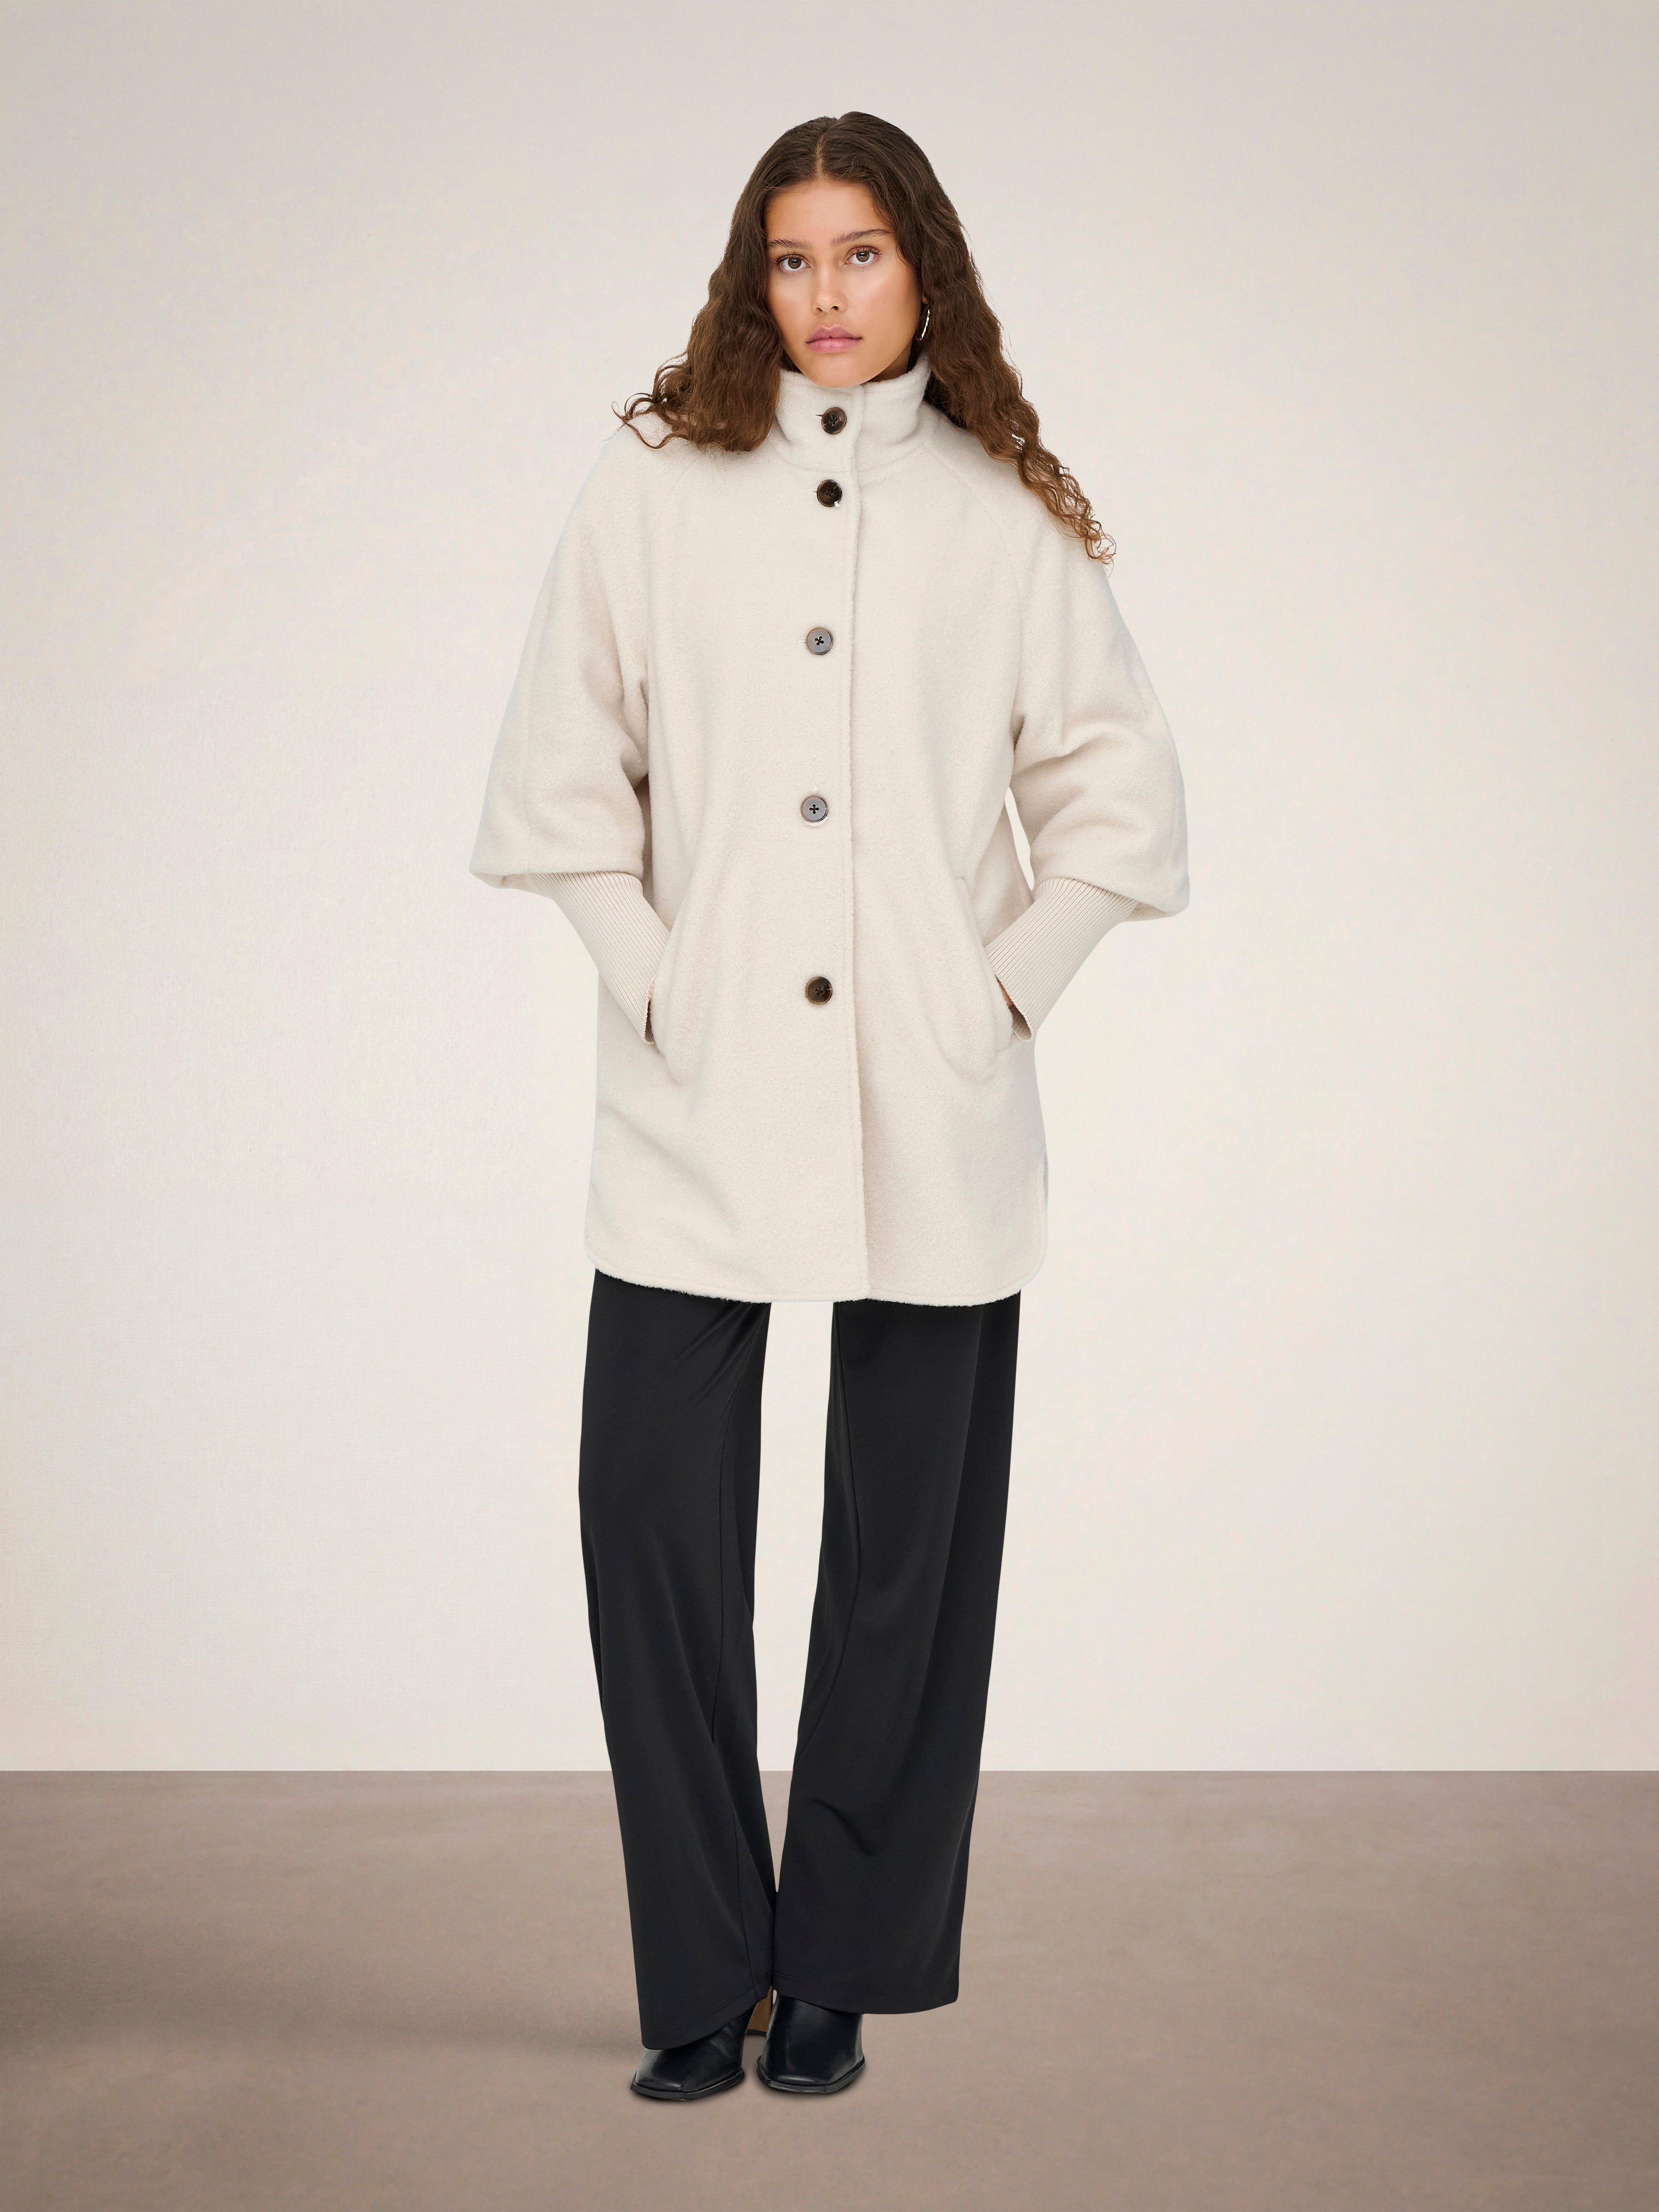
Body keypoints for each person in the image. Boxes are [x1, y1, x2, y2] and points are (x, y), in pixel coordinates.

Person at [470, 110, 1189, 2100]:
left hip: (931, 1102)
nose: (827, 294)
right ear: (749, 278)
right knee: (653, 1528)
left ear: (921, 266)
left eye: (860, 253)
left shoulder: (997, 507)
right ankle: (703, 1969)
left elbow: (1120, 796)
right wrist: (654, 972)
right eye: (791, 258)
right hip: (690, 1094)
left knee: (907, 1564)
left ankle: (846, 1967)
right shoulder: (652, 484)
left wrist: (1004, 989)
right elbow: (556, 773)